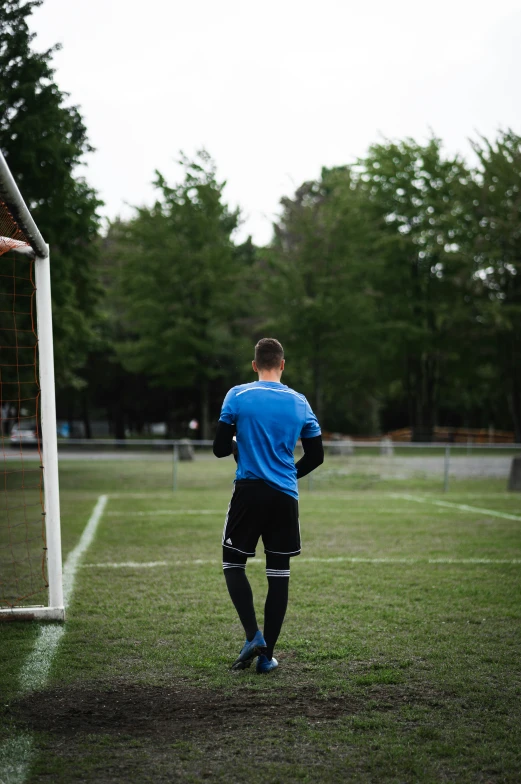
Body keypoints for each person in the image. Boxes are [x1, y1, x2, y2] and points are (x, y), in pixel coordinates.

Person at [213, 338, 324, 673]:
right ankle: (266, 657)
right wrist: (289, 471)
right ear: (283, 364)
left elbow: (219, 448)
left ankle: (252, 636)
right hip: (284, 497)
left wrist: (236, 444)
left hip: (249, 492)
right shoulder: (300, 402)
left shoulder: (238, 395)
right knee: (279, 574)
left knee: (233, 563)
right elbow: (316, 456)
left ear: (254, 365)